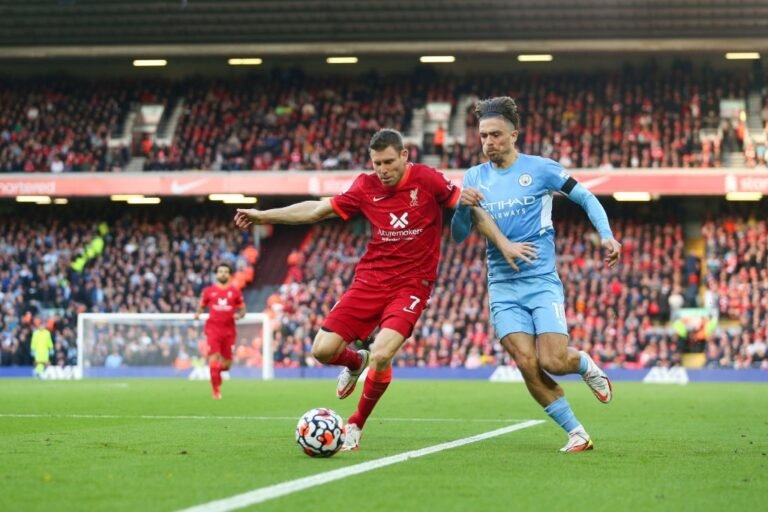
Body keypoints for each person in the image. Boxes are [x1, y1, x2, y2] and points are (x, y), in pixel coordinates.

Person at [234, 128, 460, 450]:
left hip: (412, 284)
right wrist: (262, 216)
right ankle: (355, 362)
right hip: (370, 280)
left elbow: (464, 203)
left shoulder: (427, 180)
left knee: (383, 354)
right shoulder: (365, 187)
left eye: (389, 162)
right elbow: (315, 210)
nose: (383, 169)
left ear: (405, 156)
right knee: (322, 350)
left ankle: (355, 424)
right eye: (377, 163)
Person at [451, 96, 621, 453]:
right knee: (527, 364)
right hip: (502, 285)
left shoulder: (541, 169)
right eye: (483, 136)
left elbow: (587, 197)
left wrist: (606, 235)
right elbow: (459, 235)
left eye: (496, 134)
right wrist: (462, 208)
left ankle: (585, 364)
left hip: (541, 281)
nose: (488, 142)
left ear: (515, 134)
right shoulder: (473, 177)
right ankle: (576, 432)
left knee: (554, 361)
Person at [195, 262, 246, 399]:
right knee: (213, 357)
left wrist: (239, 315)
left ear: (229, 275)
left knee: (227, 365)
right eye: (220, 271)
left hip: (229, 330)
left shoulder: (235, 292)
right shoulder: (209, 291)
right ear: (216, 274)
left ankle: (217, 373)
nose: (223, 274)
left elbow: (243, 310)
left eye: (225, 272)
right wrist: (198, 313)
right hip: (213, 329)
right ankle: (215, 391)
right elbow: (202, 305)